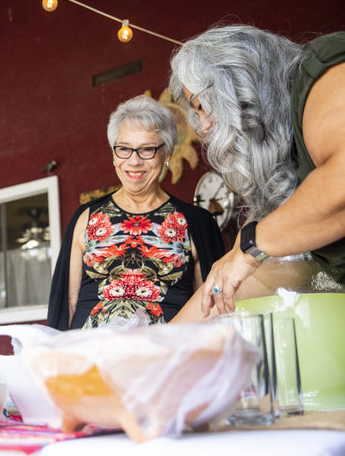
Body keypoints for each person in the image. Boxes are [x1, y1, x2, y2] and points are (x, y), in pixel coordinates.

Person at [168, 26, 345, 322]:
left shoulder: (323, 68)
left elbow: (339, 186)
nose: (205, 127)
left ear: (236, 83)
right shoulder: (285, 158)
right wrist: (161, 340)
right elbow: (237, 278)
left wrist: (249, 245)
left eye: (201, 107)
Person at [47, 95, 225, 330]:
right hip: (92, 360)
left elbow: (213, 308)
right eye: (124, 149)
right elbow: (67, 305)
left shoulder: (197, 222)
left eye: (147, 150)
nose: (134, 161)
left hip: (168, 359)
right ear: (113, 154)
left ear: (167, 154)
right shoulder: (86, 217)